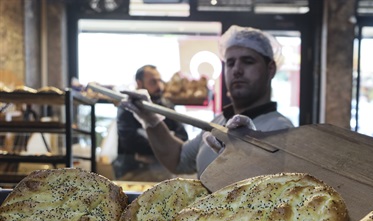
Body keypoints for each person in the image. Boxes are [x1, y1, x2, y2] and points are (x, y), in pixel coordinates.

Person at [120, 25, 294, 178]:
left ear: (270, 69)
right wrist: (151, 120)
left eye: (248, 61)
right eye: (230, 63)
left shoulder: (282, 130)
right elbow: (178, 159)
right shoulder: (219, 122)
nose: (237, 70)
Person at [112, 65, 189, 181]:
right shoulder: (127, 108)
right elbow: (129, 140)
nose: (159, 86)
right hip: (133, 172)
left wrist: (152, 152)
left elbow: (183, 136)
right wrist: (166, 145)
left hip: (164, 172)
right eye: (153, 82)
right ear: (139, 83)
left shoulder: (167, 106)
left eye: (160, 81)